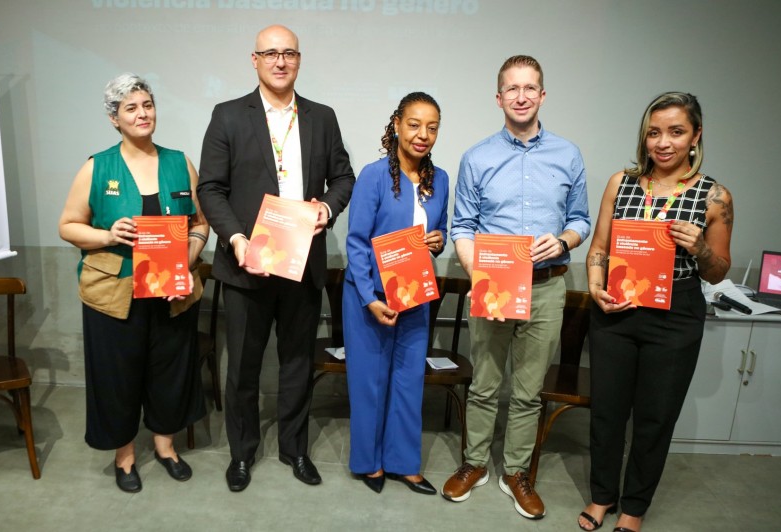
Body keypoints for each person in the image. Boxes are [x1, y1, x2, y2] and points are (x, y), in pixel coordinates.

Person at [197, 25, 355, 492]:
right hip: (248, 264)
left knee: (296, 364)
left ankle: (295, 448)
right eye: (271, 53)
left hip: (302, 263)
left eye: (288, 53)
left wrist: (326, 208)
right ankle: (242, 455)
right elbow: (210, 188)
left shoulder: (322, 117)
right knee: (243, 367)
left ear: (299, 60)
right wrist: (237, 239)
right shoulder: (227, 115)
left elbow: (343, 177)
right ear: (255, 60)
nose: (280, 61)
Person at [443, 55, 591, 519]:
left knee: (528, 391)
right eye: (512, 88)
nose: (521, 96)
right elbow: (462, 225)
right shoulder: (477, 157)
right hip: (494, 285)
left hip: (547, 287)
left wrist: (564, 239)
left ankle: (515, 473)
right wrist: (480, 274)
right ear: (499, 97)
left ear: (542, 95)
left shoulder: (568, 154)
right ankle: (473, 465)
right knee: (485, 385)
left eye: (530, 88)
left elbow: (581, 220)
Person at [578, 92, 733, 532]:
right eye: (654, 132)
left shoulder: (714, 196)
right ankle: (602, 496)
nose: (663, 143)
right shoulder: (620, 182)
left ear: (696, 136)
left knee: (654, 418)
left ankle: (633, 507)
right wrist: (594, 288)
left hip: (676, 313)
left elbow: (719, 271)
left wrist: (700, 247)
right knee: (607, 412)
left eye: (676, 132)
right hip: (617, 309)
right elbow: (600, 249)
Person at [58, 73, 208, 493]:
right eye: (131, 108)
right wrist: (107, 235)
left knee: (169, 371)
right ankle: (125, 457)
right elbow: (68, 226)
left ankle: (165, 447)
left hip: (171, 292)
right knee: (117, 377)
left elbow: (200, 224)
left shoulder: (180, 162)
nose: (142, 114)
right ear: (114, 118)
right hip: (114, 293)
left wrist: (186, 261)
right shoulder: (97, 166)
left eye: (147, 105)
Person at [343, 92, 449, 495]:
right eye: (415, 124)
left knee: (408, 381)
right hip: (369, 299)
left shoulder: (441, 180)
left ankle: (404, 463)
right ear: (397, 125)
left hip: (415, 296)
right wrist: (370, 298)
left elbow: (434, 236)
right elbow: (356, 242)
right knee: (369, 382)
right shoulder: (373, 175)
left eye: (433, 127)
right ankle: (369, 463)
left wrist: (437, 242)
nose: (423, 134)